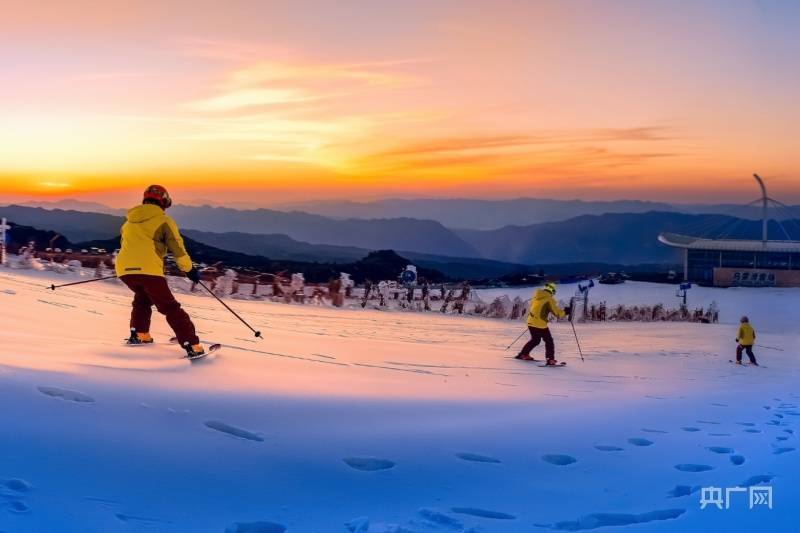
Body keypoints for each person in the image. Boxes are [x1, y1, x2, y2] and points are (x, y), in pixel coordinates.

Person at [115, 185, 204, 357]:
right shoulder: (164, 221)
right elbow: (177, 249)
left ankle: (140, 334)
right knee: (170, 307)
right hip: (149, 272)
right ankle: (192, 345)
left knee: (142, 299)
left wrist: (132, 269)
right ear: (164, 202)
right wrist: (190, 270)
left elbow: (129, 247)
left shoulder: (128, 223)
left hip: (125, 270)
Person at [515, 282, 571, 365]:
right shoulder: (549, 299)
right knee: (549, 341)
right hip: (539, 324)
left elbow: (534, 309)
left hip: (531, 322)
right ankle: (550, 359)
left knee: (535, 340)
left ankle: (523, 354)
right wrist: (566, 312)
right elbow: (557, 313)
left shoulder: (536, 297)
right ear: (552, 291)